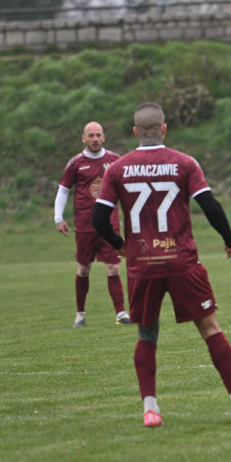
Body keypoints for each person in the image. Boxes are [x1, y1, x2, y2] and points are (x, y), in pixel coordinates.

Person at [93, 102, 231, 427]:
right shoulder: (183, 163)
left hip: (142, 263)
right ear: (163, 128)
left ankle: (151, 410)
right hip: (181, 260)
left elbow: (99, 219)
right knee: (210, 328)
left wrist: (123, 246)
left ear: (135, 132)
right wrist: (229, 240)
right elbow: (211, 207)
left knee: (146, 334)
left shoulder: (117, 168)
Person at [54, 121, 131, 327]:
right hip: (85, 225)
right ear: (84, 139)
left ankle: (121, 313)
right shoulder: (76, 163)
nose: (95, 139)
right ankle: (80, 314)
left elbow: (125, 189)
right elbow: (64, 189)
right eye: (91, 136)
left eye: (98, 135)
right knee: (83, 270)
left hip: (110, 224)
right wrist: (58, 218)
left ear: (104, 137)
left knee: (113, 268)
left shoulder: (115, 160)